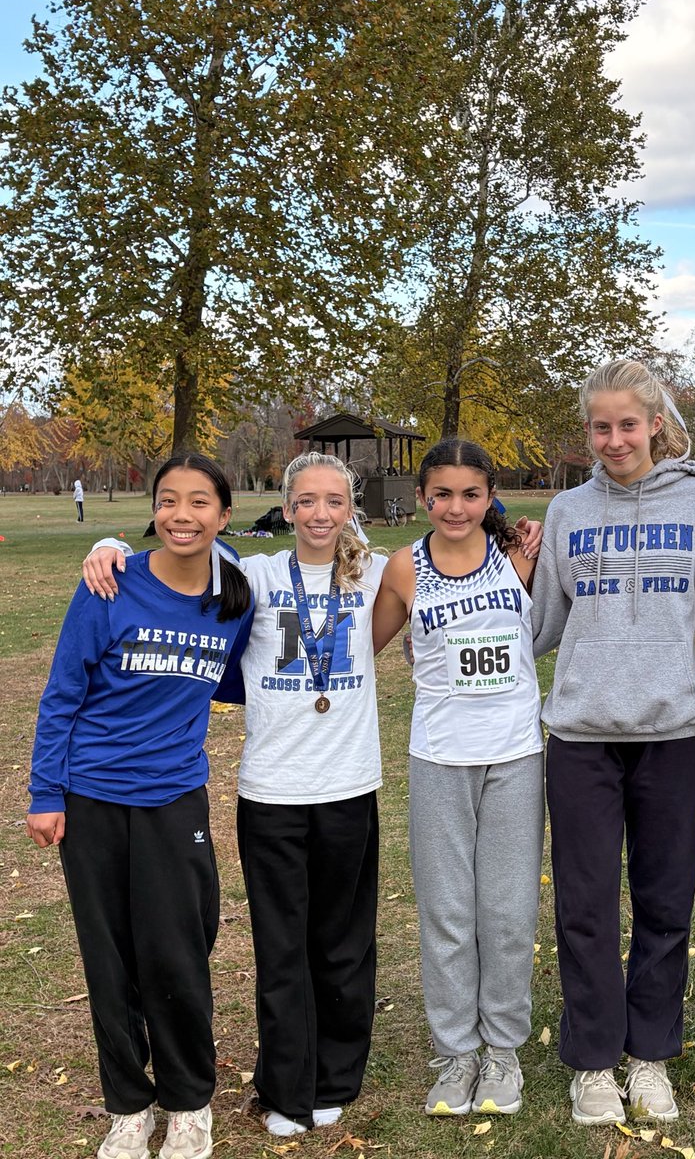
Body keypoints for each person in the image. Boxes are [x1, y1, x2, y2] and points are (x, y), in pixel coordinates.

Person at [81, 452, 544, 1137]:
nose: (320, 514)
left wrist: (510, 528)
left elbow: (457, 551)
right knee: (282, 947)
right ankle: (285, 1084)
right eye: (305, 501)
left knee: (343, 945)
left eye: (333, 501)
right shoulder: (256, 573)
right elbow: (187, 546)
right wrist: (112, 541)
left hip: (350, 783)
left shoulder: (381, 570)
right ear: (287, 506)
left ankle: (336, 1077)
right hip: (272, 789)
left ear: (351, 506)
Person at [27, 455, 254, 1159]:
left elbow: (238, 679)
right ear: (152, 509)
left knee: (178, 952)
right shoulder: (110, 584)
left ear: (223, 514)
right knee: (110, 957)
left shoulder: (234, 594)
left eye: (199, 502)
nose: (181, 515)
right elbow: (64, 690)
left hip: (172, 798)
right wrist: (44, 792)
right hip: (91, 796)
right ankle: (130, 1105)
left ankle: (189, 1103)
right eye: (167, 501)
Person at [530, 358, 695, 1127]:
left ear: (655, 424)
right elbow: (542, 624)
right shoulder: (567, 512)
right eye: (599, 426)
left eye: (627, 424)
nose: (614, 439)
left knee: (665, 900)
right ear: (587, 433)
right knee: (584, 906)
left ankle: (649, 1057)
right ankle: (591, 1062)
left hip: (673, 731)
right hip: (580, 735)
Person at [372, 439, 545, 1118]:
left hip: (515, 757)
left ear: (489, 496)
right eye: (441, 494)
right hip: (439, 759)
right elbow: (360, 646)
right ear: (422, 498)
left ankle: (501, 1050)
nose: (455, 506)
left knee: (505, 913)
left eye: (470, 494)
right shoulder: (403, 568)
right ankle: (455, 1054)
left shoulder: (521, 557)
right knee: (447, 915)